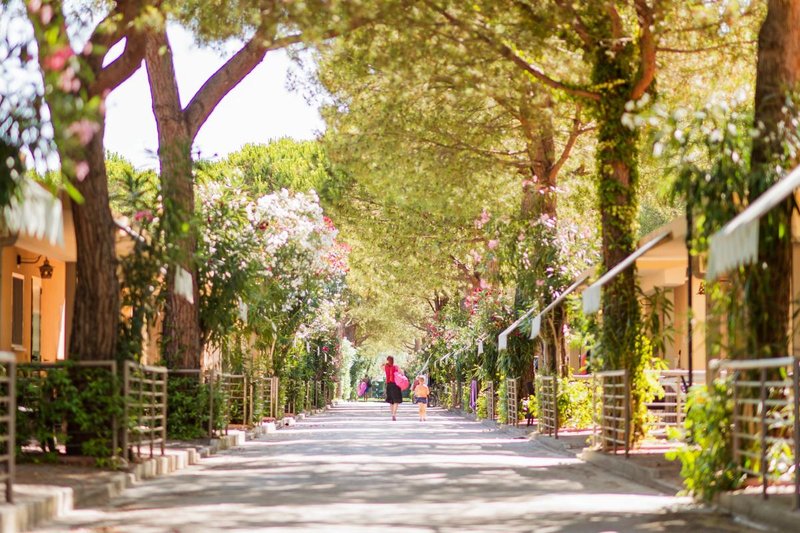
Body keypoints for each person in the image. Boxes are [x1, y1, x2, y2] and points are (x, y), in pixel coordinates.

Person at [384, 356, 403, 420]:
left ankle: (392, 414)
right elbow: (402, 373)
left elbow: (381, 365)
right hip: (396, 385)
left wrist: (385, 363)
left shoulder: (385, 367)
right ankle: (394, 414)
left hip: (389, 385)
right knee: (396, 401)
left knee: (391, 401)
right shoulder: (396, 367)